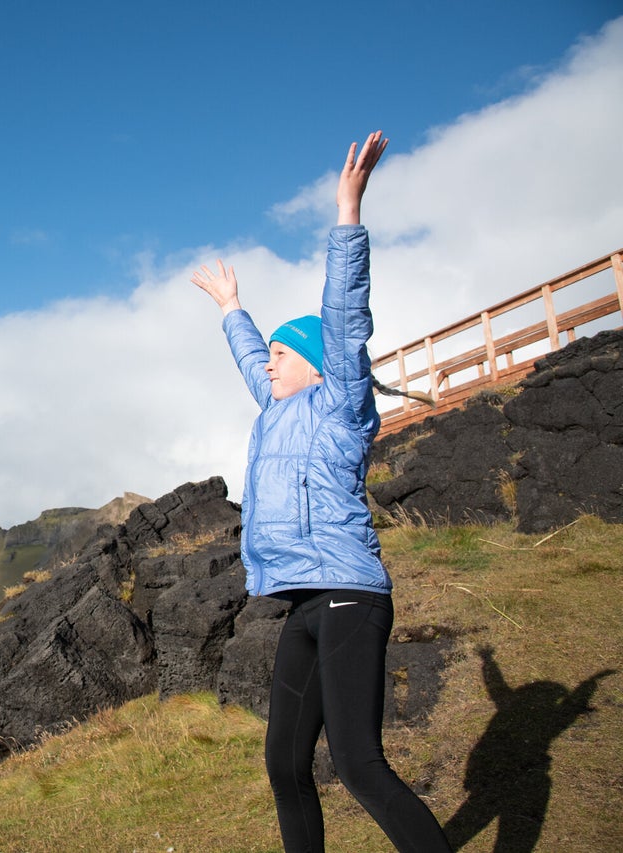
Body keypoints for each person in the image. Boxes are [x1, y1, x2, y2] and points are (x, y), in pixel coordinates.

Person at [190, 131, 451, 852]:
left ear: (310, 363)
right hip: (306, 599)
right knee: (283, 762)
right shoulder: (276, 407)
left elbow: (343, 316)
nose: (266, 365)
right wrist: (232, 308)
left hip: (350, 593)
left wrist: (348, 209)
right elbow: (250, 357)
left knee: (358, 764)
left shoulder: (339, 403)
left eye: (280, 353)